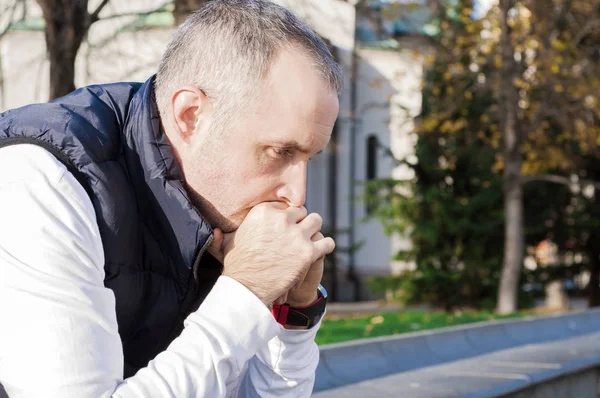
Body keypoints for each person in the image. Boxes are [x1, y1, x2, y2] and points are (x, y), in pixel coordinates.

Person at [0, 0, 342, 396]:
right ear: (190, 114)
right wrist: (245, 291)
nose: (297, 196)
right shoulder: (41, 183)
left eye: (308, 158)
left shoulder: (216, 205)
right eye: (280, 152)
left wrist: (293, 315)